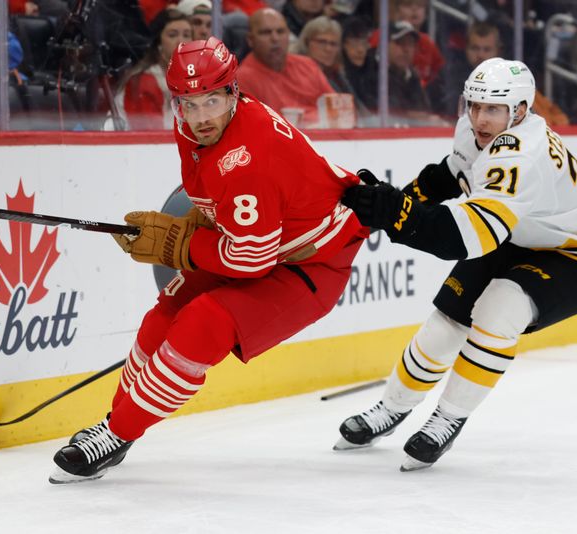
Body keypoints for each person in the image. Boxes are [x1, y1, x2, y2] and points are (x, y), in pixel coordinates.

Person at [50, 36, 369, 484]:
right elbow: (221, 204)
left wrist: (179, 244)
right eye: (189, 103)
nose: (201, 118)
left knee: (202, 324)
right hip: (257, 241)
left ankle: (115, 432)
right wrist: (192, 229)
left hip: (308, 265)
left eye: (212, 101)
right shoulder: (195, 125)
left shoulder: (249, 159)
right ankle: (118, 428)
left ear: (233, 92)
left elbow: (250, 260)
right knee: (162, 317)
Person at [334, 58, 577, 471]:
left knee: (500, 309)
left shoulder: (520, 155)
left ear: (520, 111)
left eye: (493, 109)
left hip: (574, 255)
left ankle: (447, 418)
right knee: (446, 323)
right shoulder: (477, 129)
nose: (479, 117)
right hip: (515, 234)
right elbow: (449, 175)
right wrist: (400, 200)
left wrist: (396, 215)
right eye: (474, 105)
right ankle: (392, 408)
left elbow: (460, 237)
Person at [429, 21, 569, 125]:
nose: (480, 55)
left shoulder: (514, 81)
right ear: (466, 49)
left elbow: (557, 118)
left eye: (486, 49)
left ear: (498, 50)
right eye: (475, 48)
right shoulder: (452, 77)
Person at [236, 8, 334, 127]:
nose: (275, 38)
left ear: (288, 35)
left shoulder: (308, 65)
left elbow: (337, 109)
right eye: (266, 32)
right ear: (251, 40)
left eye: (281, 31)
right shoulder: (242, 78)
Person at [104, 9, 192, 131]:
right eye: (173, 35)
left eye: (187, 35)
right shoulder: (146, 80)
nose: (181, 42)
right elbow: (151, 137)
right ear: (158, 43)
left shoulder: (192, 79)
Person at [292, 16, 354, 95]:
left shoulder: (337, 74)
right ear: (306, 43)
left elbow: (356, 104)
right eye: (322, 42)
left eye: (333, 44)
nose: (328, 49)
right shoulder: (295, 73)